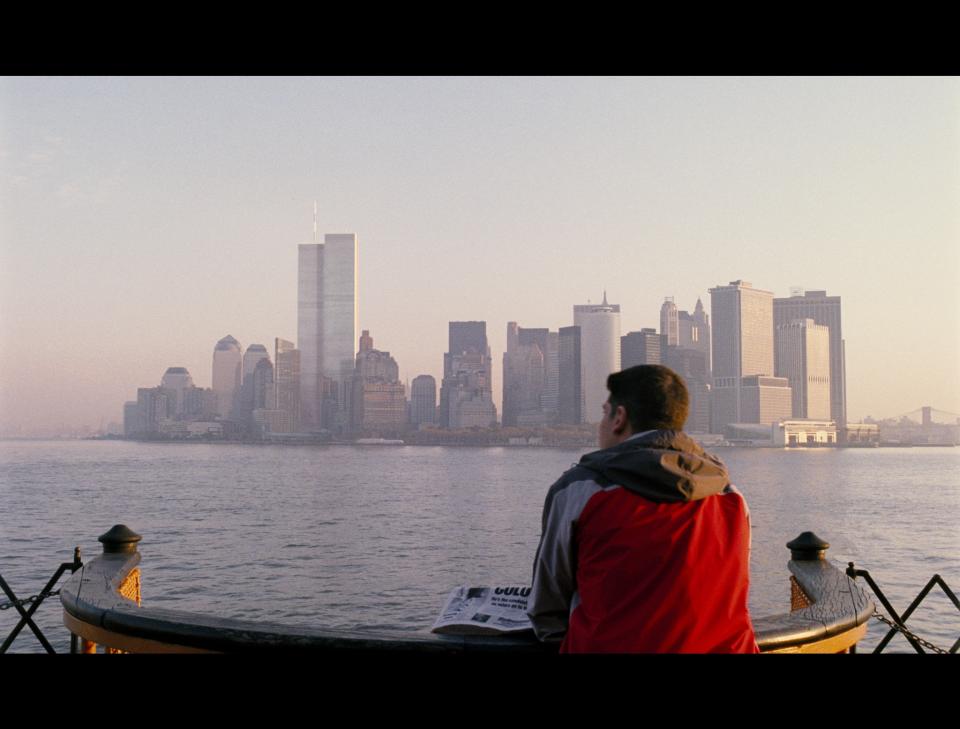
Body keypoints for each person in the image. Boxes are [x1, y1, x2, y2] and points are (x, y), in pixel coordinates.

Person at [527, 364, 758, 653]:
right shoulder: (731, 499)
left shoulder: (579, 491)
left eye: (604, 412)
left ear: (618, 418)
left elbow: (546, 610)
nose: (600, 424)